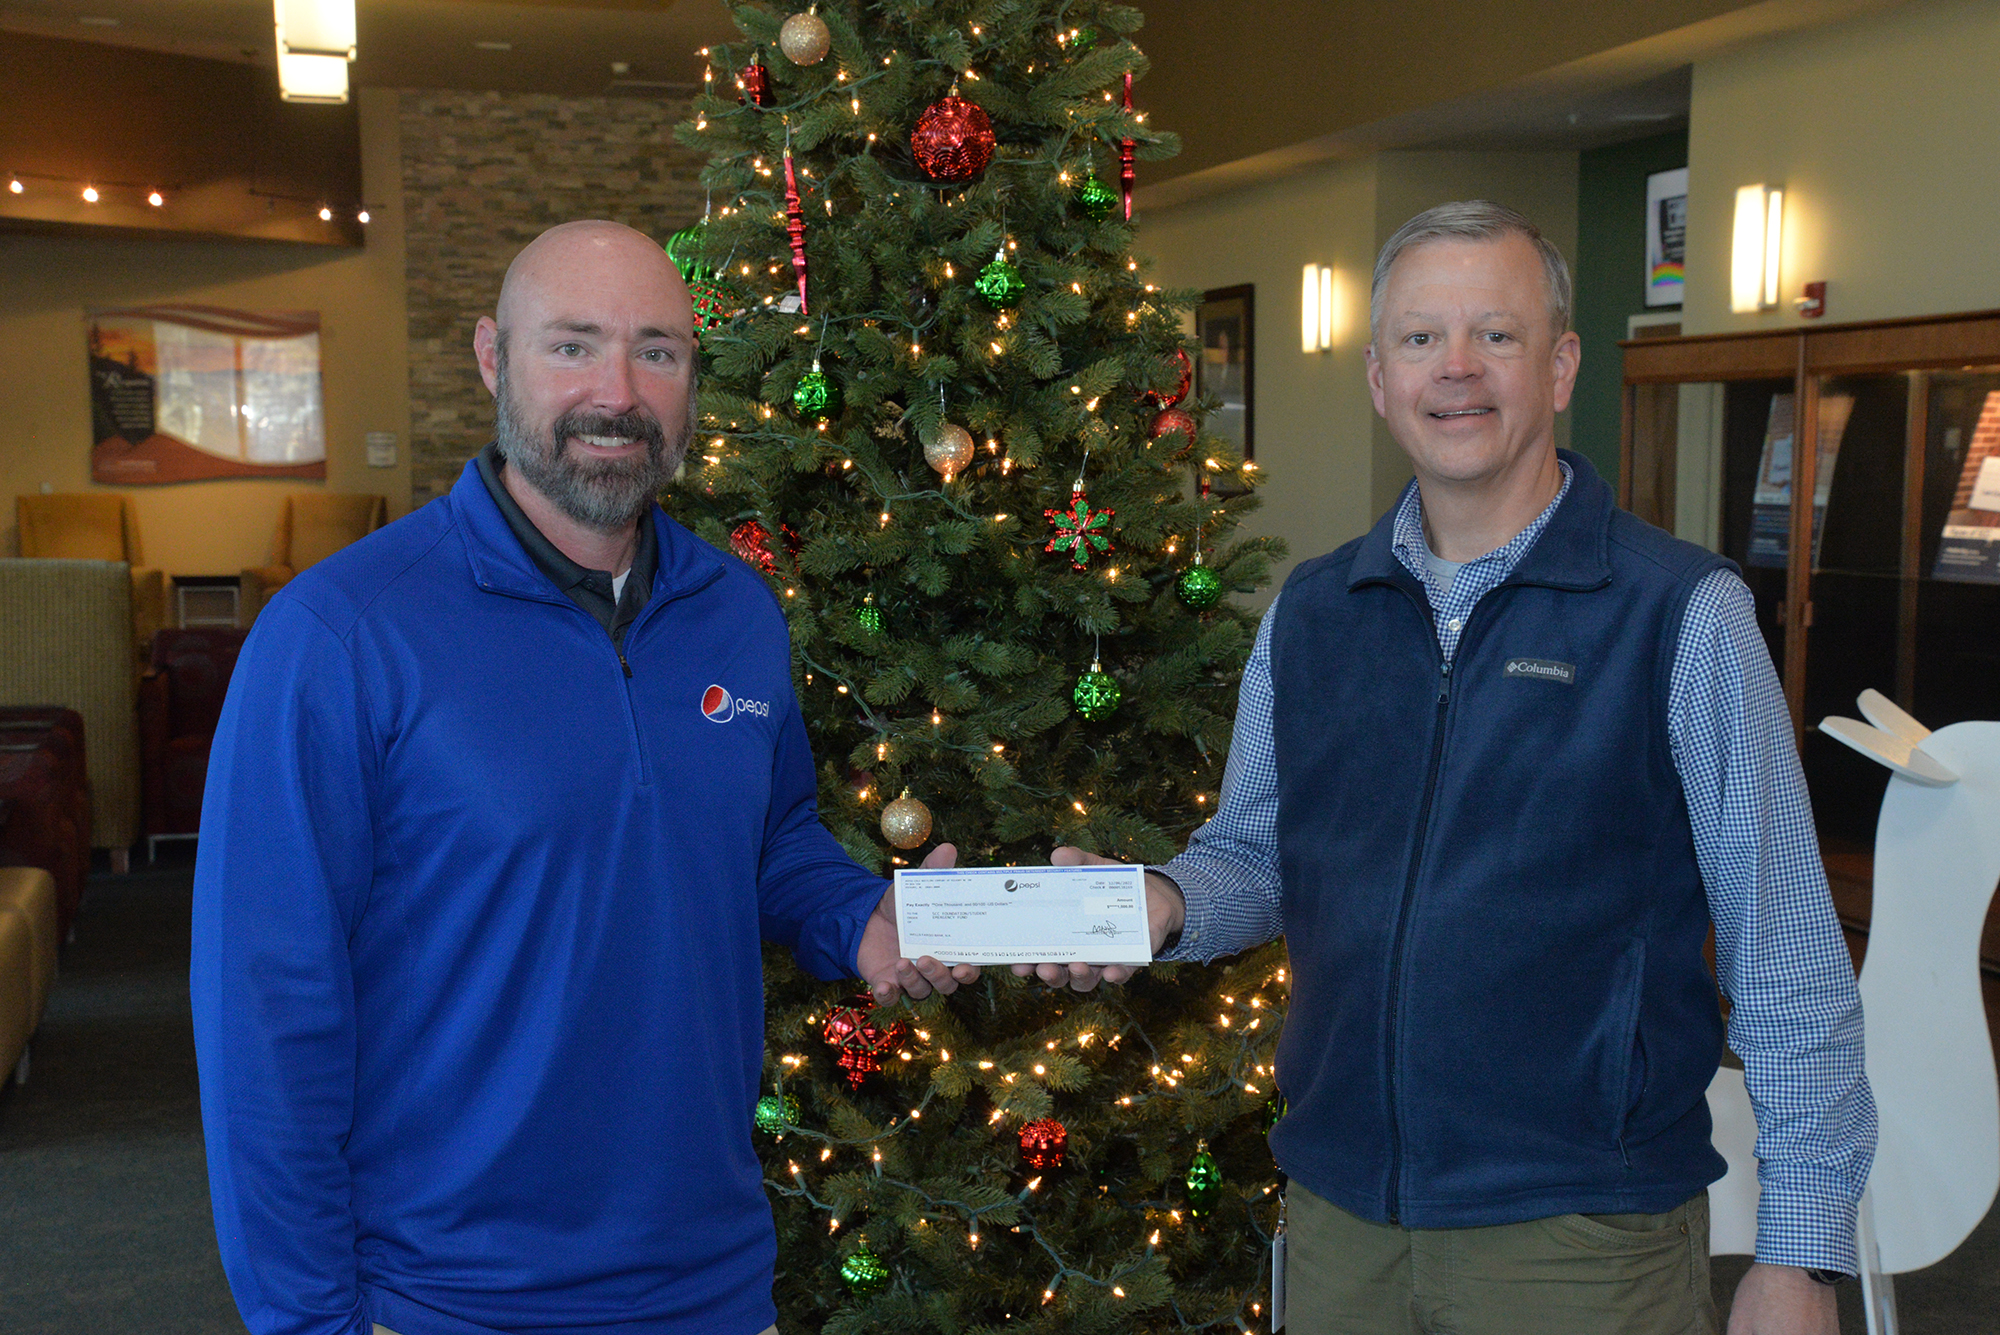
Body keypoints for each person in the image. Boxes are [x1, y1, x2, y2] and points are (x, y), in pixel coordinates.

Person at [1041, 201, 1873, 1334]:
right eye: (1422, 338)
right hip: (1342, 1224)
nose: (1457, 369)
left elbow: (1784, 946)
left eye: (1497, 334)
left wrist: (1802, 1255)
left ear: (1559, 367)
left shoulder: (1678, 613)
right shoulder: (1311, 614)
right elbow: (1259, 854)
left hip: (1581, 1237)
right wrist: (1164, 899)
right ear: (1380, 379)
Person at [190, 220, 972, 1335]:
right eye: (572, 346)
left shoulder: (735, 614)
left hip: (713, 1288)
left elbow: (770, 840)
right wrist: (310, 1321)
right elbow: (262, 1017)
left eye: (656, 351)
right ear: (491, 358)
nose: (618, 393)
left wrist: (860, 919)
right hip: (447, 1300)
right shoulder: (338, 636)